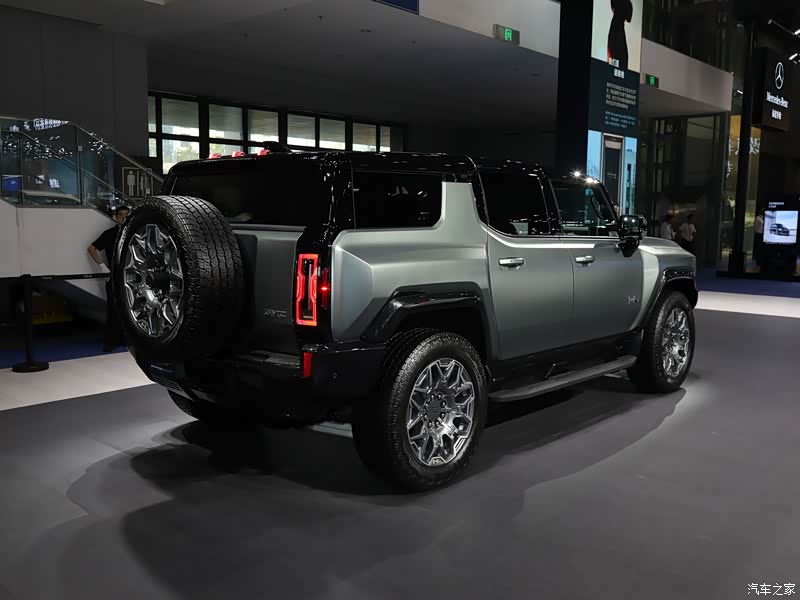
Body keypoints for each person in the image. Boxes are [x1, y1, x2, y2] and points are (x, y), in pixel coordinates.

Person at [87, 206, 130, 352]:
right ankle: (111, 341)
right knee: (113, 309)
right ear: (116, 217)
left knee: (127, 309)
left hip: (130, 277)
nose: (123, 217)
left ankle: (125, 339)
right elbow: (91, 248)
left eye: (126, 215)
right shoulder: (110, 234)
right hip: (113, 276)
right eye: (121, 215)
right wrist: (102, 267)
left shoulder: (133, 234)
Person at [608, 0, 634, 70]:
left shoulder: (627, 3)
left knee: (614, 54)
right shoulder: (628, 4)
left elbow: (628, 19)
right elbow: (628, 19)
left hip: (615, 28)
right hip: (619, 29)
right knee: (621, 56)